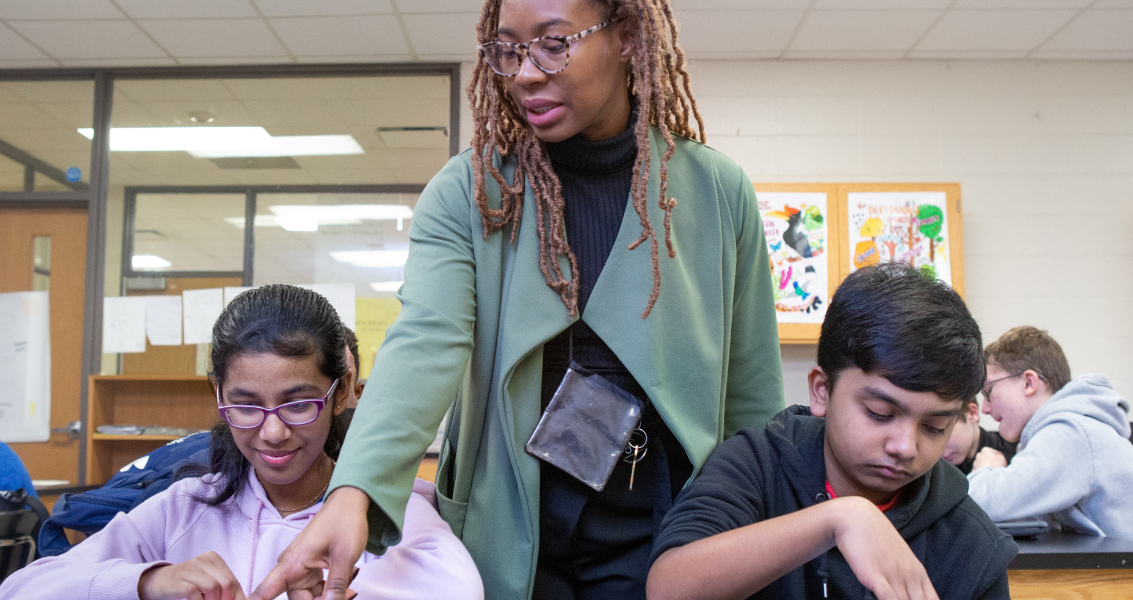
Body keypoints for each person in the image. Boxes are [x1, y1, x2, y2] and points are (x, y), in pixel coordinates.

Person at [251, 0, 785, 598]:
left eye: (554, 43)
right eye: (507, 49)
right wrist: (355, 491)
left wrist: (756, 529)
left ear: (629, 36)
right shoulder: (472, 191)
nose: (525, 72)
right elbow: (426, 340)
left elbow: (751, 392)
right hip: (513, 510)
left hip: (666, 517)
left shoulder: (715, 190)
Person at [0, 285, 483, 600]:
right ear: (217, 395)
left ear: (341, 392)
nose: (272, 432)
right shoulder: (188, 506)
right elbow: (24, 588)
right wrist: (150, 581)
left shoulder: (386, 510)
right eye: (246, 405)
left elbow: (460, 592)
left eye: (298, 404)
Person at [645, 264, 1019, 600]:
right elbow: (667, 588)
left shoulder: (971, 543)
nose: (905, 447)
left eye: (934, 427)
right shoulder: (754, 466)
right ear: (822, 391)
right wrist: (838, 521)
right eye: (880, 413)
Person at [969, 325, 1133, 598]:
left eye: (989, 391)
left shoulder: (1070, 432)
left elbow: (984, 502)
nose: (986, 408)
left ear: (1029, 382)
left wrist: (986, 469)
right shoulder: (1069, 428)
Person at [941, 398, 1017, 475]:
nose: (940, 450)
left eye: (943, 430)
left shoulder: (1018, 453)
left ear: (972, 413)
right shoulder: (934, 472)